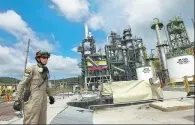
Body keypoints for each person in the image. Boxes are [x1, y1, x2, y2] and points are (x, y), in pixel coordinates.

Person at [14, 50, 55, 124]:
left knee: (42, 121)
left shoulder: (46, 71)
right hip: (32, 100)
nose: (46, 59)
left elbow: (47, 85)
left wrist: (50, 95)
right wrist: (17, 99)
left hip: (43, 101)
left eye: (47, 58)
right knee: (31, 121)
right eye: (44, 57)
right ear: (38, 58)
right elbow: (21, 84)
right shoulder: (31, 69)